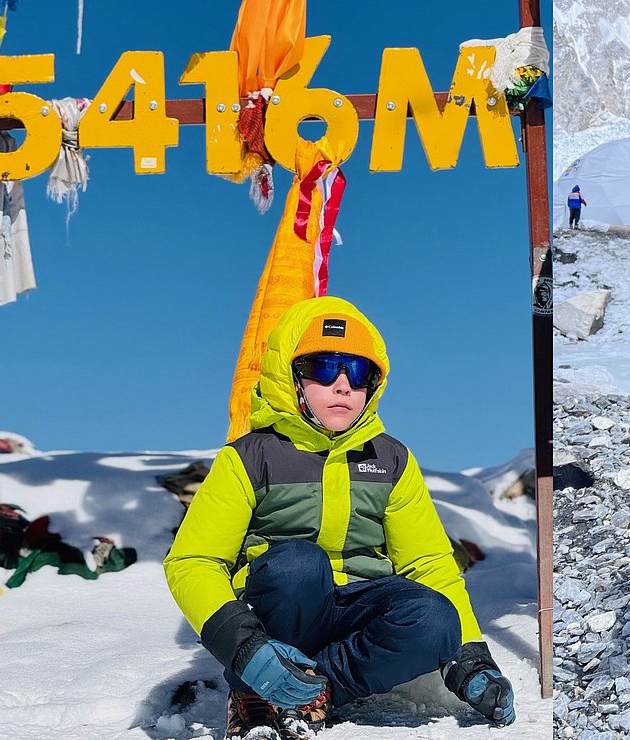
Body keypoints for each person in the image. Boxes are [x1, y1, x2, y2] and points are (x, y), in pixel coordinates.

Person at [164, 296, 515, 739]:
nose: (343, 385)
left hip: (357, 609)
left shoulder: (392, 460)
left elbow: (428, 564)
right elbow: (193, 561)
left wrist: (471, 661)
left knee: (434, 617)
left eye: (359, 372)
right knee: (297, 565)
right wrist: (246, 647)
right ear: (292, 377)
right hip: (280, 609)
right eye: (325, 367)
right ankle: (257, 693)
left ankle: (316, 690)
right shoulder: (249, 458)